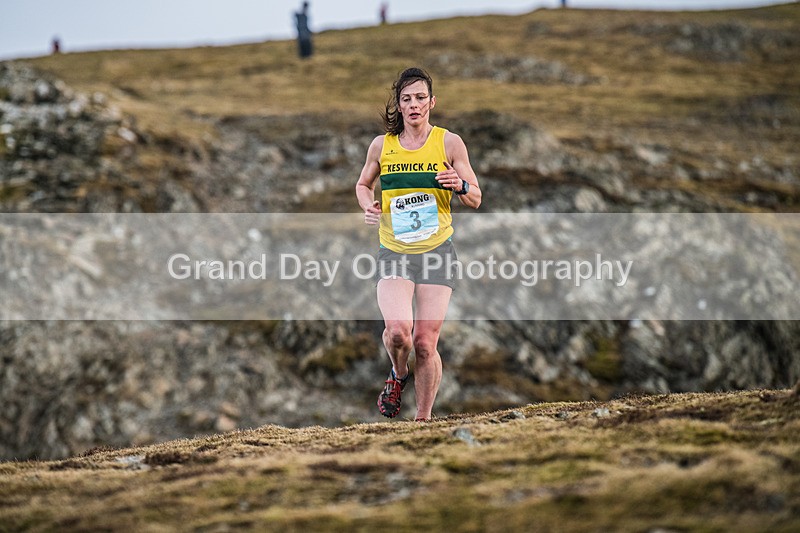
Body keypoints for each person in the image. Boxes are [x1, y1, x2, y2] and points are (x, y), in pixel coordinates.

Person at [355, 67, 482, 421]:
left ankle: (423, 420)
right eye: (406, 99)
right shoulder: (383, 146)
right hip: (394, 251)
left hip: (437, 252)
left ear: (432, 102)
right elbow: (363, 184)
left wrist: (460, 185)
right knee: (398, 333)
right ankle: (398, 375)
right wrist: (368, 205)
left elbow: (476, 197)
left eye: (420, 98)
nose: (414, 105)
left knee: (426, 343)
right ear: (399, 104)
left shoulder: (449, 143)